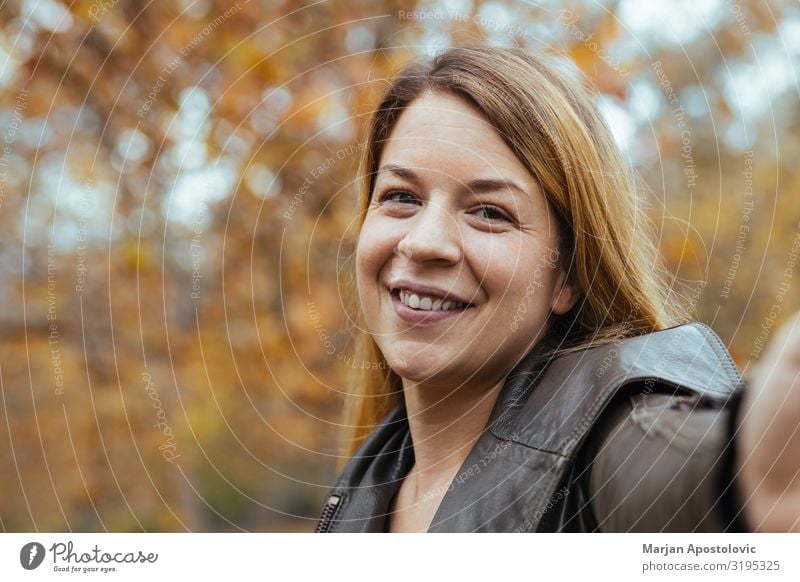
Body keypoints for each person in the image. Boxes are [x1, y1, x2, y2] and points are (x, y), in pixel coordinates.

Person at [314, 44, 800, 533]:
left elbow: (689, 478)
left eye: (489, 212)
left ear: (566, 277)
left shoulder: (615, 446)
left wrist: (757, 473)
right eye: (400, 197)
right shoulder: (369, 481)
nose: (424, 243)